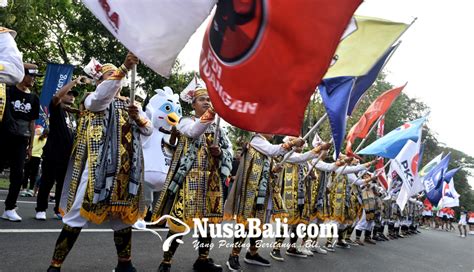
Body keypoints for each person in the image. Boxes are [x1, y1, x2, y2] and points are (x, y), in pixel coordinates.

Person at [47, 52, 150, 272]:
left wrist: (138, 117)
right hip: (96, 169)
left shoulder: (132, 104)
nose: (115, 79)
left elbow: (148, 129)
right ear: (100, 81)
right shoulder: (92, 99)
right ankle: (55, 265)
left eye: (117, 76)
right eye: (109, 76)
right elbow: (103, 97)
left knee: (122, 219)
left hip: (125, 171)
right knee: (77, 213)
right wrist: (122, 68)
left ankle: (125, 264)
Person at [153, 84, 233, 272]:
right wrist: (212, 113)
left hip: (212, 180)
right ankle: (166, 262)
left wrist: (220, 152)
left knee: (208, 222)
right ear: (193, 104)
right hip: (190, 180)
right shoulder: (184, 121)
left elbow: (229, 149)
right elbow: (193, 132)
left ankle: (203, 259)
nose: (206, 102)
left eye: (208, 99)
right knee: (179, 222)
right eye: (202, 99)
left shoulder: (217, 127)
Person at [35, 75, 83, 220]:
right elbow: (56, 97)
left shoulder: (71, 115)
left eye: (74, 95)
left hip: (67, 156)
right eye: (69, 94)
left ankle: (58, 209)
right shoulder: (56, 109)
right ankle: (41, 209)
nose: (72, 97)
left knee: (62, 185)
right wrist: (74, 82)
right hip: (53, 153)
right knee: (47, 182)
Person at [0, 63, 41, 222]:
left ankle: (10, 208)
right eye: (31, 75)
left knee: (18, 174)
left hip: (21, 140)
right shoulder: (8, 90)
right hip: (3, 136)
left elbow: (32, 123)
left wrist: (30, 146)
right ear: (21, 74)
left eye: (34, 77)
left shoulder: (34, 98)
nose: (33, 80)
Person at [20, 126, 48, 197]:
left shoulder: (34, 137)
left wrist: (28, 152)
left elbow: (29, 145)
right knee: (33, 174)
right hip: (37, 157)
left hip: (29, 156)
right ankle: (31, 189)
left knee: (26, 173)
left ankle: (24, 189)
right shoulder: (45, 140)